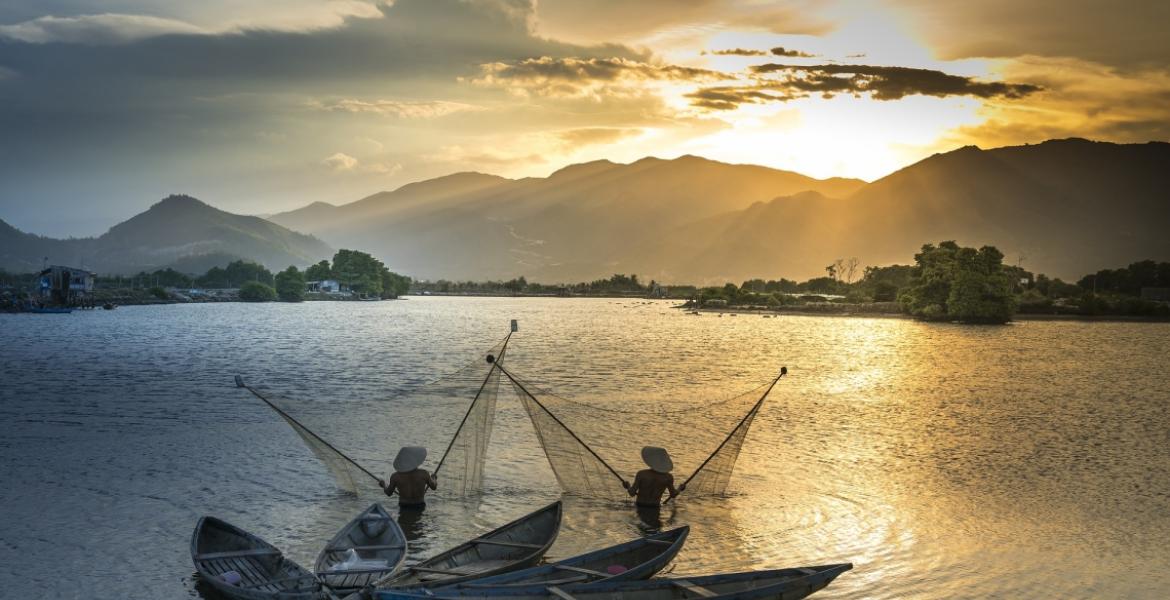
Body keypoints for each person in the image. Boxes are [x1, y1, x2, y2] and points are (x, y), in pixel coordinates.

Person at [378, 446, 436, 510]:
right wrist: (433, 478)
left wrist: (383, 484)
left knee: (404, 519)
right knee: (418, 519)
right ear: (415, 460)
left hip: (404, 506)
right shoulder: (424, 473)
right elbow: (433, 486)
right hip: (420, 505)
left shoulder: (395, 476)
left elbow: (389, 493)